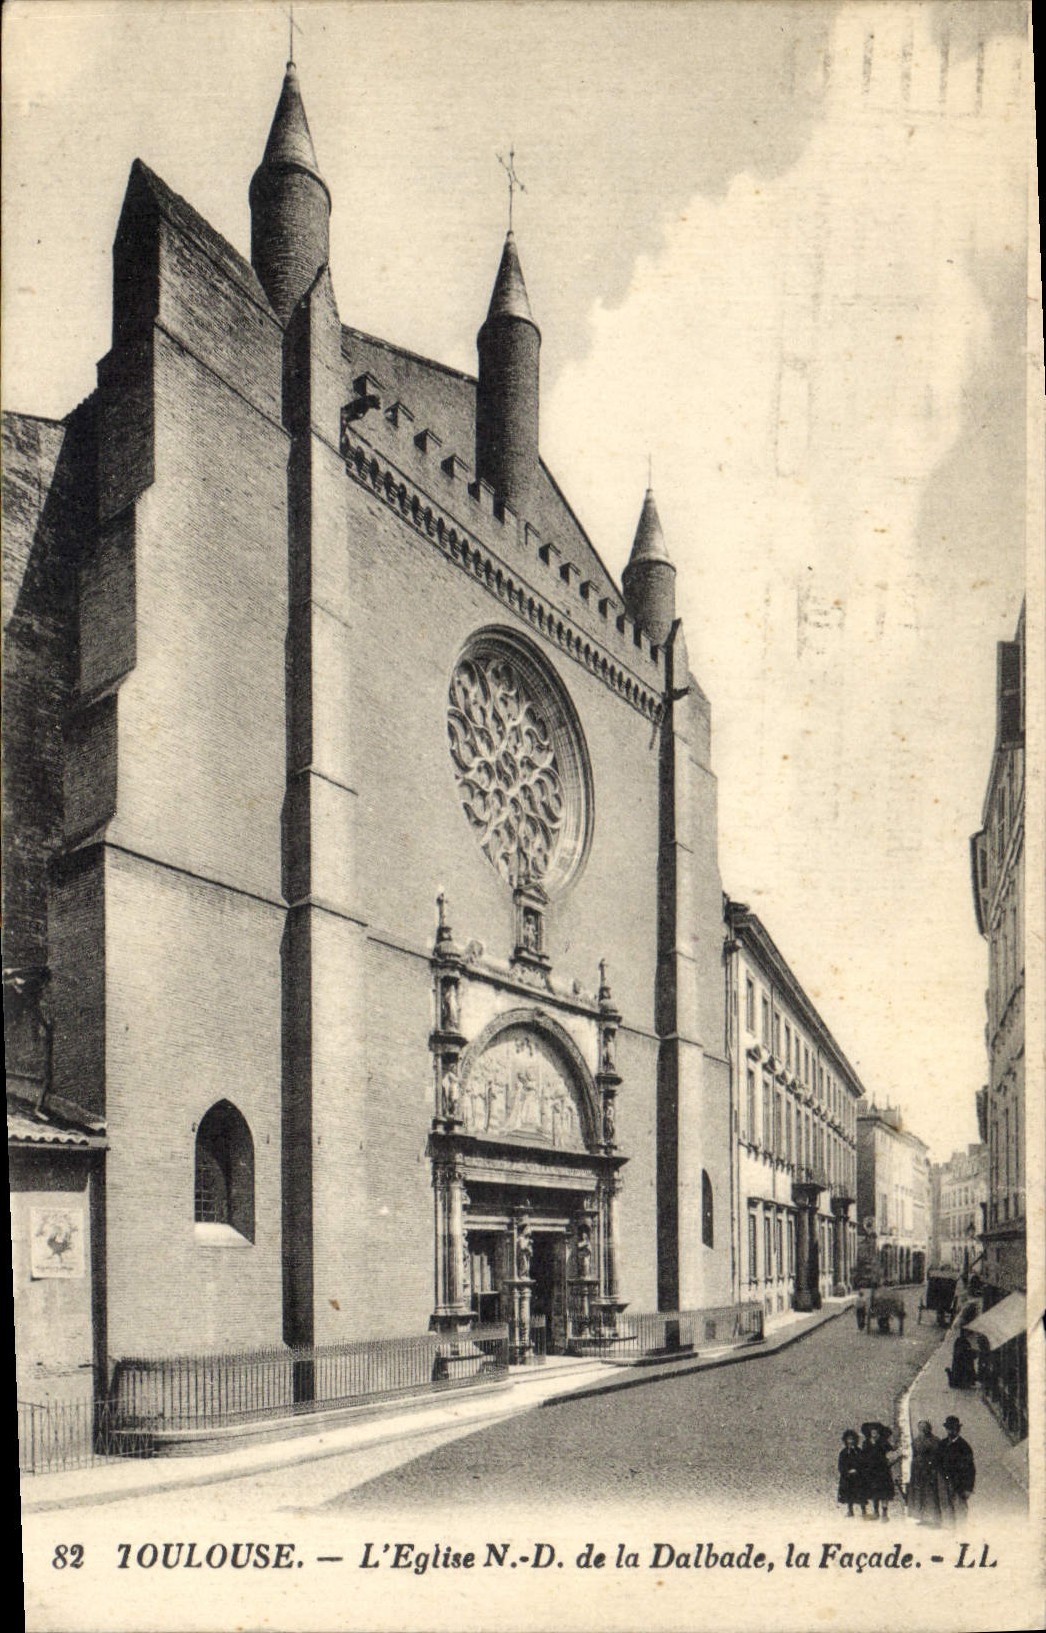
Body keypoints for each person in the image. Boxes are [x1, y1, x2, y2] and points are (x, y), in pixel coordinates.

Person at [938, 1416, 975, 1526]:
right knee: (946, 1512)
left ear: (958, 1430)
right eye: (949, 1429)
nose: (951, 1431)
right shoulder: (942, 1444)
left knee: (960, 1513)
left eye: (953, 1429)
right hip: (945, 1484)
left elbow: (970, 1469)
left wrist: (968, 1488)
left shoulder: (964, 1447)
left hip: (959, 1485)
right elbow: (937, 1462)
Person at [860, 1422, 900, 1521]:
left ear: (879, 1432)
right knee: (874, 1493)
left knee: (884, 1492)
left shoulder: (883, 1442)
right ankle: (876, 1512)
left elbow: (892, 1452)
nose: (874, 1433)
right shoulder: (866, 1443)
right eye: (872, 1431)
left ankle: (885, 1513)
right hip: (871, 1471)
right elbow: (863, 1456)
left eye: (875, 1431)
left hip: (882, 1470)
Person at [907, 1420, 943, 1526]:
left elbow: (937, 1456)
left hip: (930, 1471)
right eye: (920, 1427)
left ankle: (936, 1519)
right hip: (918, 1472)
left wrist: (932, 1468)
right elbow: (914, 1454)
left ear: (929, 1428)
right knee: (920, 1495)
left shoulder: (935, 1441)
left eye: (924, 1427)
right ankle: (922, 1517)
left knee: (931, 1495)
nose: (922, 1429)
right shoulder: (916, 1440)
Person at [837, 1429, 866, 1518]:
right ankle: (850, 1510)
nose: (850, 1441)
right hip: (848, 1477)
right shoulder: (843, 1452)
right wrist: (847, 1471)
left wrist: (857, 1470)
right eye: (849, 1439)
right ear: (845, 1440)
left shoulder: (859, 1451)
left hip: (858, 1476)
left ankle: (863, 1511)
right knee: (848, 1493)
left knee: (861, 1494)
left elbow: (863, 1463)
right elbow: (841, 1465)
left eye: (852, 1439)